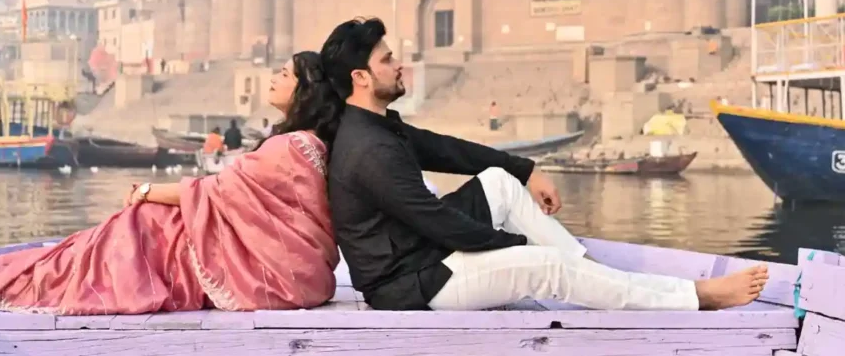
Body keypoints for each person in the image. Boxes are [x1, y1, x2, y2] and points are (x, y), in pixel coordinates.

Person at [320, 17, 768, 313]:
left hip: (421, 254)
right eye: (387, 60)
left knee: (498, 182)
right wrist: (515, 245)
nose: (399, 65)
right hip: (412, 285)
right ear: (361, 77)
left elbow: (447, 150)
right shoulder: (369, 150)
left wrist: (524, 169)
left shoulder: (379, 126)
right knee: (545, 267)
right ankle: (694, 297)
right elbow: (437, 223)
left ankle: (597, 280)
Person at [0, 52, 341, 315]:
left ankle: (40, 277)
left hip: (279, 276)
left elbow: (215, 190)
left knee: (143, 221)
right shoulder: (304, 143)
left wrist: (144, 192)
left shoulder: (289, 146)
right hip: (300, 273)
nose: (274, 78)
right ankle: (57, 268)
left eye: (284, 74)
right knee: (154, 224)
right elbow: (230, 195)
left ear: (305, 91)